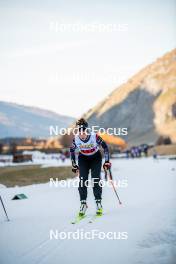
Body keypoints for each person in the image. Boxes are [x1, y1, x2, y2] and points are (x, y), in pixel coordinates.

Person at [70, 118, 111, 217]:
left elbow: (105, 147)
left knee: (95, 179)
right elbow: (71, 151)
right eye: (79, 131)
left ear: (86, 130)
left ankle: (98, 203)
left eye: (83, 131)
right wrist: (74, 164)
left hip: (95, 158)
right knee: (82, 180)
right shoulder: (75, 139)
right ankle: (83, 204)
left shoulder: (94, 136)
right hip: (83, 158)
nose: (82, 134)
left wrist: (107, 162)